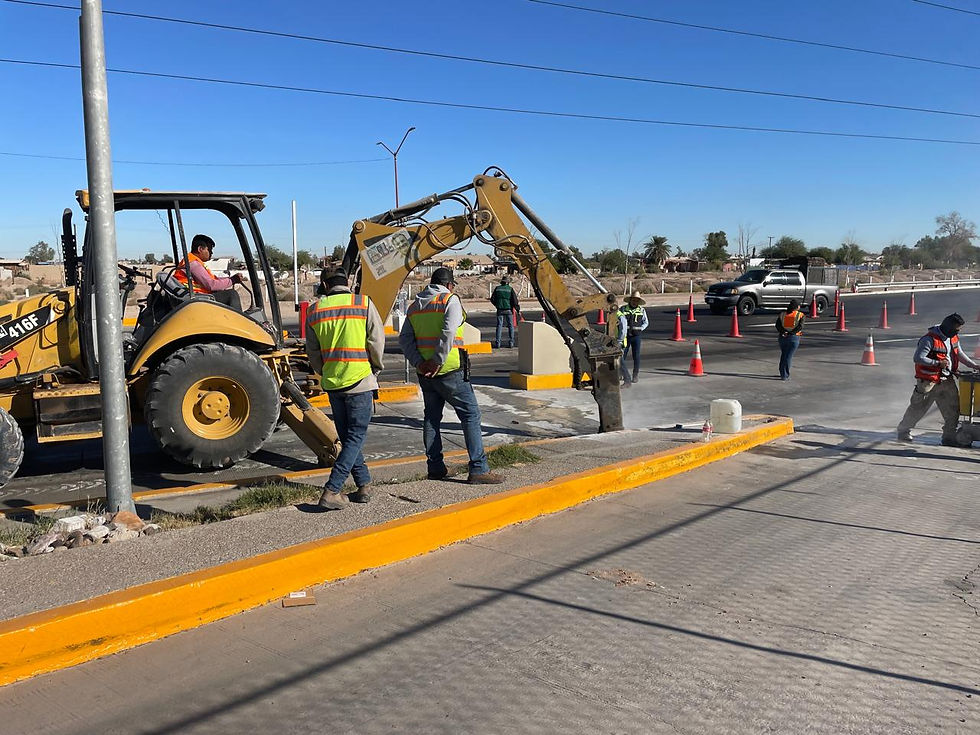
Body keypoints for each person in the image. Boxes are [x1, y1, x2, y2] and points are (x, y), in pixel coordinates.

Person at [400, 267, 503, 484]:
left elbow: (405, 340)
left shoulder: (415, 306)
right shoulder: (450, 300)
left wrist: (420, 362)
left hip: (425, 374)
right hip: (449, 370)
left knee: (431, 418)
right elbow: (448, 331)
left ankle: (435, 468)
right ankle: (478, 468)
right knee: (470, 415)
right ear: (449, 285)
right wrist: (437, 361)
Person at [306, 269, 385, 509]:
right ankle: (332, 489)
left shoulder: (314, 310)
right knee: (355, 437)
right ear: (348, 282)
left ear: (324, 284)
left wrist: (325, 371)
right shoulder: (363, 303)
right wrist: (376, 368)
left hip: (333, 383)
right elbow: (376, 340)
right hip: (359, 380)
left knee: (349, 438)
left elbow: (313, 351)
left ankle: (364, 485)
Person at [897, 312, 978, 446]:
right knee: (918, 408)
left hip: (946, 379)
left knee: (953, 409)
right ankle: (904, 431)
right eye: (957, 328)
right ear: (949, 327)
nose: (958, 331)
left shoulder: (953, 338)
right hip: (928, 381)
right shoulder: (929, 339)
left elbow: (959, 353)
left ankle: (949, 438)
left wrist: (973, 365)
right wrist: (937, 363)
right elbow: (918, 358)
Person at [173, 234, 244, 309]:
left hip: (195, 296)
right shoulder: (193, 264)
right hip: (196, 299)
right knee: (232, 294)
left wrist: (230, 279)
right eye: (209, 250)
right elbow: (211, 285)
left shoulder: (191, 261)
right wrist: (233, 280)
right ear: (200, 249)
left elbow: (213, 279)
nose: (211, 253)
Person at [617, 292, 649, 386]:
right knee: (622, 355)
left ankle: (635, 375)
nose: (635, 302)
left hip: (636, 336)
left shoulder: (642, 310)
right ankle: (621, 374)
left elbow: (646, 322)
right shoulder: (623, 309)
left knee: (636, 356)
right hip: (625, 337)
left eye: (637, 300)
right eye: (633, 300)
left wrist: (640, 329)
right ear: (630, 300)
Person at [775, 299, 805, 380]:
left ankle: (782, 373)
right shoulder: (800, 315)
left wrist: (783, 332)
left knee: (784, 355)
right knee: (788, 356)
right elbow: (800, 327)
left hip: (782, 337)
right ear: (797, 307)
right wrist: (790, 333)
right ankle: (785, 375)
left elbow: (777, 325)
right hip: (793, 338)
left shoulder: (782, 314)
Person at [490, 275, 521, 348]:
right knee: (510, 326)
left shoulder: (497, 289)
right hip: (508, 310)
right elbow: (514, 300)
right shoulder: (510, 289)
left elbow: (492, 299)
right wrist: (517, 309)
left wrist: (497, 305)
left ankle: (498, 343)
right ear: (508, 282)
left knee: (499, 326)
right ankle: (511, 343)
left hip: (500, 309)